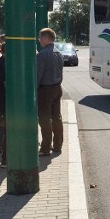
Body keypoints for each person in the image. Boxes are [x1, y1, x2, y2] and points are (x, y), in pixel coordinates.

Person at [36, 27, 64, 157]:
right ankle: (57, 145)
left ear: (46, 38)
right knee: (56, 117)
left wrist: (34, 91)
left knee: (45, 118)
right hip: (57, 88)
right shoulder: (58, 53)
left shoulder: (42, 54)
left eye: (40, 37)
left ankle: (45, 148)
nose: (39, 40)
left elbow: (37, 75)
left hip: (45, 90)